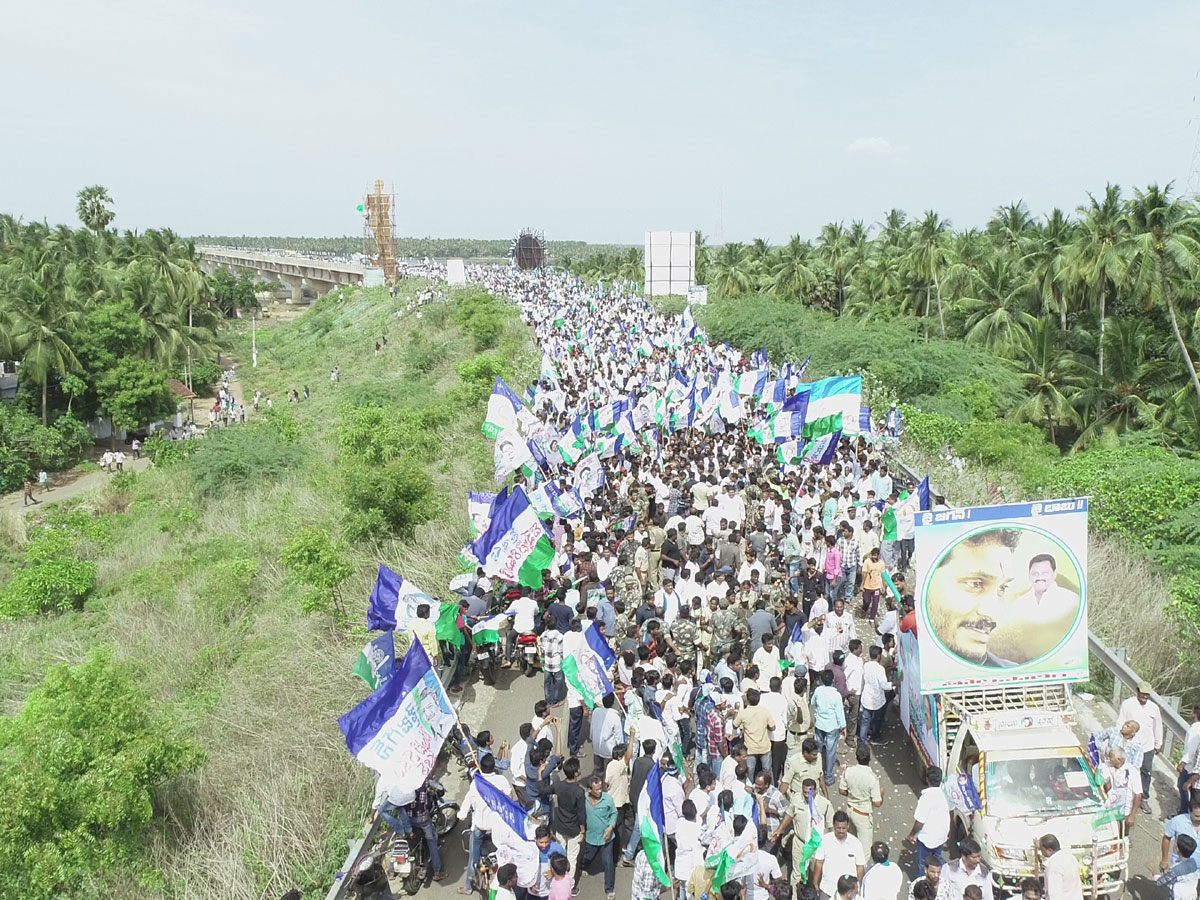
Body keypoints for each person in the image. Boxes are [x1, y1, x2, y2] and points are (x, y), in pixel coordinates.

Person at [924, 528, 1023, 666]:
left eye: (1002, 588)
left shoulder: (1009, 673)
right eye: (975, 584)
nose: (993, 613)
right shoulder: (915, 664)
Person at [1118, 684, 1165, 813]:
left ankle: (1143, 798)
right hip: (1130, 745)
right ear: (1137, 691)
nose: (1145, 696)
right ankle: (1124, 796)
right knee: (1127, 770)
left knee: (1146, 772)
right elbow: (1120, 723)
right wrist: (1119, 742)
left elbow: (1157, 726)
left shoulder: (1153, 708)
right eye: (1142, 693)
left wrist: (1158, 744)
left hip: (1147, 746)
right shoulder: (1128, 704)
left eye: (1147, 694)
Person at [578, 775, 618, 899]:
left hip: (606, 838)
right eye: (596, 789)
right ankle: (583, 867)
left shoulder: (607, 799)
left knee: (608, 863)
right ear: (590, 790)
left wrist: (610, 827)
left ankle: (609, 889)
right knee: (587, 856)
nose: (599, 791)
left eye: (600, 788)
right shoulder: (583, 799)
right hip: (591, 837)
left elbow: (614, 813)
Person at [838, 745, 884, 851]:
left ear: (856, 758)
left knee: (849, 843)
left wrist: (852, 794)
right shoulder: (872, 778)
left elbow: (842, 790)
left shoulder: (848, 771)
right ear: (869, 759)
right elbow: (877, 803)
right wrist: (882, 793)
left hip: (849, 811)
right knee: (864, 851)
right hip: (863, 816)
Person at [905, 767, 949, 876]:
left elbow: (919, 821)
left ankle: (923, 886)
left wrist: (911, 835)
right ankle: (946, 874)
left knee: (922, 863)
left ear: (927, 779)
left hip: (928, 838)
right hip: (941, 834)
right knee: (937, 857)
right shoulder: (943, 794)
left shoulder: (926, 798)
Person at [812, 811, 865, 900]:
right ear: (833, 825)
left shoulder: (855, 843)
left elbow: (860, 867)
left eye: (844, 828)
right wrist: (815, 884)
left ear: (848, 826)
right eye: (838, 828)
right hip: (828, 890)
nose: (841, 831)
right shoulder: (825, 840)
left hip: (849, 893)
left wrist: (860, 888)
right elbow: (819, 863)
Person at [552, 758, 586, 874]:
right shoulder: (579, 791)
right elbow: (581, 813)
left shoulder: (559, 786)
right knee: (571, 857)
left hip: (560, 826)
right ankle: (570, 885)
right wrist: (582, 831)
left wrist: (540, 775)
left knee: (560, 854)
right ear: (576, 773)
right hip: (574, 828)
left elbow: (543, 789)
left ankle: (558, 876)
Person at [811, 669, 846, 786]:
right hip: (832, 726)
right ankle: (828, 777)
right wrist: (843, 726)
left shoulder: (818, 691)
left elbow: (813, 703)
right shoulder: (836, 695)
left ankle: (816, 773)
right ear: (833, 680)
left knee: (818, 749)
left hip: (820, 724)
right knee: (831, 752)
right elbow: (839, 712)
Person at [1038, 834, 1083, 900]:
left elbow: (1054, 894)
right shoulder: (1070, 857)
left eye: (1042, 849)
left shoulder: (1054, 865)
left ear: (1049, 850)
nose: (1041, 852)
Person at [1161, 798, 1200, 872]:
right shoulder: (1178, 821)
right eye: (1197, 816)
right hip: (1179, 868)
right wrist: (1164, 859)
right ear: (1189, 811)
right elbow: (1166, 838)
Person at [1156, 833, 1199, 900]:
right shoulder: (1194, 863)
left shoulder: (1175, 869)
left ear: (1178, 849)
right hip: (1191, 896)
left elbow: (1160, 882)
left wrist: (1154, 873)